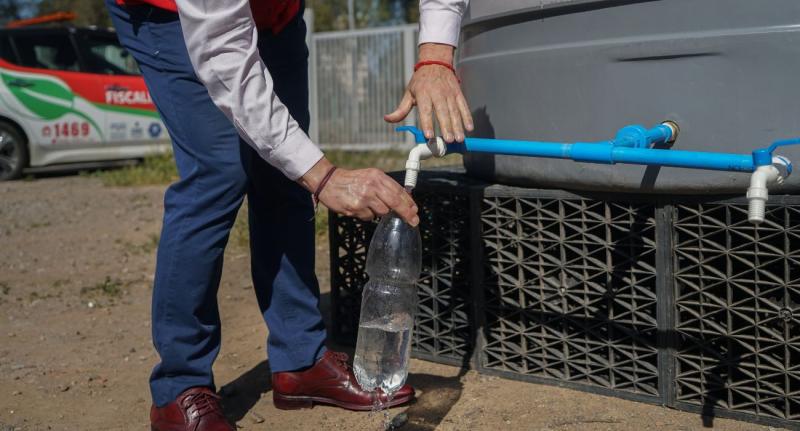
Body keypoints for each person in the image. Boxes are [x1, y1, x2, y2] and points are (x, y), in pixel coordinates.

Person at [105, 0, 471, 429]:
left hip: (277, 15)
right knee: (219, 172)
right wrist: (325, 177)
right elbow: (225, 56)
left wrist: (435, 54)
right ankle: (179, 386)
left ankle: (301, 360)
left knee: (284, 179)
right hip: (170, 15)